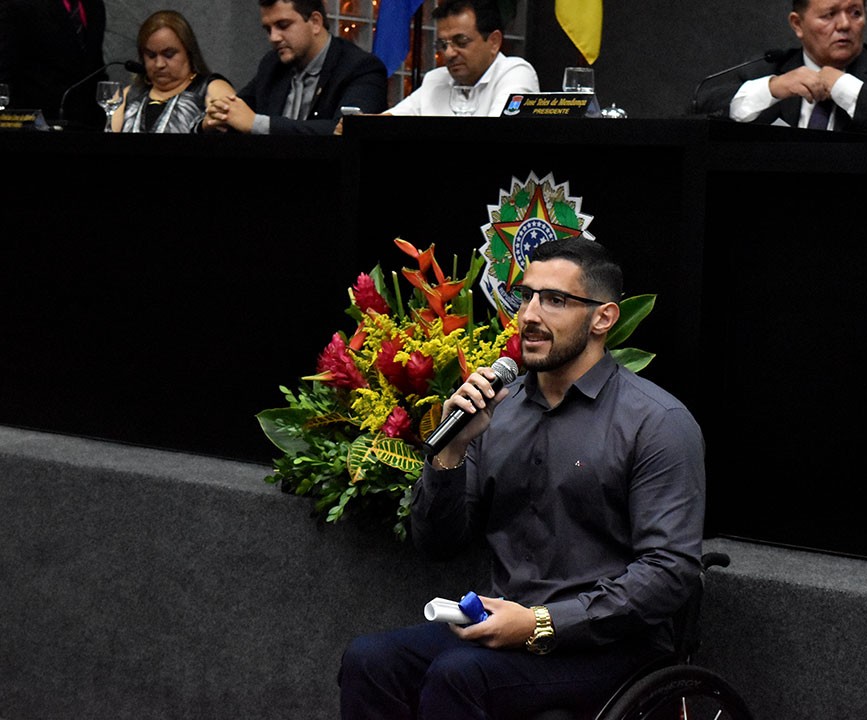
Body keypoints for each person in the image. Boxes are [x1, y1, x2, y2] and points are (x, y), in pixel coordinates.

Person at [337, 237, 707, 719]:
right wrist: (451, 450)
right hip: (506, 625)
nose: (529, 314)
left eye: (554, 300)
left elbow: (669, 571)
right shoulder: (498, 411)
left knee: (459, 675)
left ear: (603, 318)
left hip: (613, 647)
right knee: (370, 661)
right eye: (526, 296)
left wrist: (541, 622)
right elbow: (437, 544)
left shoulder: (656, 422)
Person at [702, 0, 867, 141]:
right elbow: (700, 110)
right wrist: (772, 88)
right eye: (829, 15)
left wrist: (845, 87)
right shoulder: (769, 69)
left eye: (855, 13)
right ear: (798, 24)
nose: (844, 24)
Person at [335, 0, 537, 132]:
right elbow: (390, 121)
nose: (448, 53)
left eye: (461, 41)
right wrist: (358, 126)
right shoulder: (436, 79)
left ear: (494, 42)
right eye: (442, 44)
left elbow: (497, 136)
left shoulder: (515, 73)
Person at [201, 0, 387, 135]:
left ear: (315, 22)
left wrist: (258, 124)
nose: (273, 37)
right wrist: (217, 116)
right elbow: (240, 111)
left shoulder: (361, 67)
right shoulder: (273, 64)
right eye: (268, 29)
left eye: (283, 25)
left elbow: (348, 130)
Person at [114, 11, 236, 133]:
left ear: (188, 52)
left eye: (169, 55)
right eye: (151, 56)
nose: (159, 64)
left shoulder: (213, 89)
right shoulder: (128, 95)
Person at [0, 0, 107, 129]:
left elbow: (95, 66)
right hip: (36, 123)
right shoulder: (17, 5)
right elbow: (5, 71)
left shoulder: (94, 5)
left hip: (87, 124)